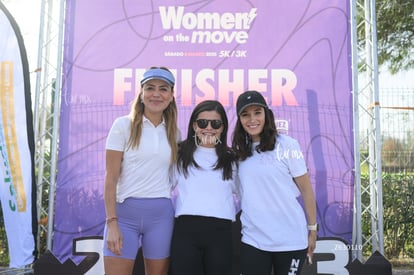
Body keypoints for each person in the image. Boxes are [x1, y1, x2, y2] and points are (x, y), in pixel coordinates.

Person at [103, 67, 179, 275]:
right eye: (150, 88)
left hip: (161, 217)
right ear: (141, 93)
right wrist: (112, 224)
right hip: (124, 217)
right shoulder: (122, 126)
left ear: (171, 96)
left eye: (163, 89)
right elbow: (110, 179)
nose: (156, 94)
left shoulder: (175, 133)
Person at [232, 90, 317, 275]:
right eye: (245, 114)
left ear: (266, 115)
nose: (252, 119)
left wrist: (312, 229)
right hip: (253, 240)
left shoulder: (287, 145)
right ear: (239, 120)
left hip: (290, 239)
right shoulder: (238, 155)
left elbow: (306, 190)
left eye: (257, 113)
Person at [169, 100, 239, 275]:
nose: (208, 128)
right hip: (185, 231)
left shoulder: (233, 160)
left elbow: (248, 194)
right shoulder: (180, 154)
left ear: (223, 127)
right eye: (202, 123)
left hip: (220, 232)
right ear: (194, 125)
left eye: (215, 123)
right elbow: (162, 186)